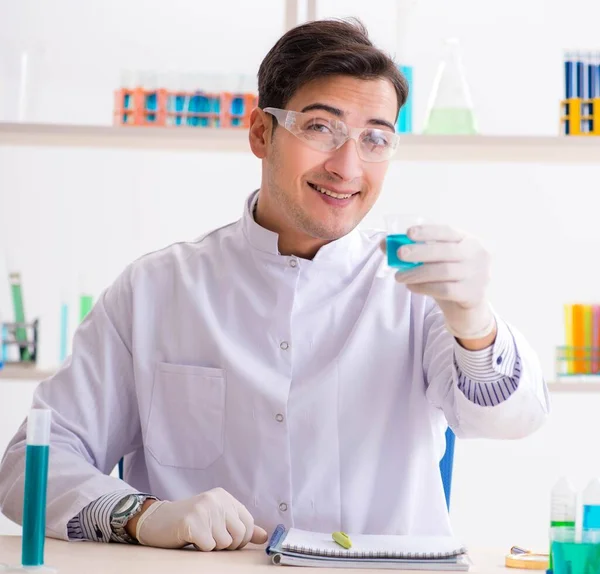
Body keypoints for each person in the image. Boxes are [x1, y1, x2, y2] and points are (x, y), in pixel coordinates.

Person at [0, 18, 549, 552]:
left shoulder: (414, 291)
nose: (347, 166)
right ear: (262, 133)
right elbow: (30, 465)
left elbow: (509, 420)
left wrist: (474, 320)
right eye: (320, 127)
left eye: (375, 139)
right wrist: (141, 515)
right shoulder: (155, 290)